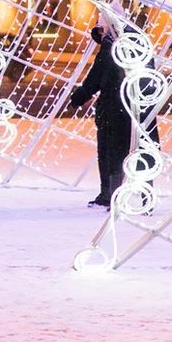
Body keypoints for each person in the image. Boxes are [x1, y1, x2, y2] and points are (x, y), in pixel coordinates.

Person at [69, 13, 131, 209]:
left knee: (110, 152)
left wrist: (78, 97)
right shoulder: (132, 45)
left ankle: (111, 195)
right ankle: (113, 194)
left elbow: (95, 78)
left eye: (102, 29)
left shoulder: (109, 48)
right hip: (128, 107)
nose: (101, 33)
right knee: (119, 151)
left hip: (112, 109)